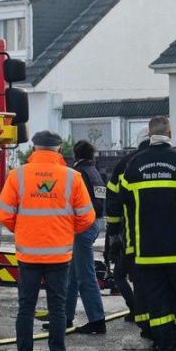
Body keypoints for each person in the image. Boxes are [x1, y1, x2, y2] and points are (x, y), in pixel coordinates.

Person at [0, 130, 96, 351]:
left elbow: (3, 212)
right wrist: (64, 230)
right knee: (58, 310)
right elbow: (87, 217)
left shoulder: (17, 175)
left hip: (27, 255)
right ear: (59, 150)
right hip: (59, 255)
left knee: (25, 309)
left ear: (34, 149)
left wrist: (22, 229)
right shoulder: (72, 177)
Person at [119, 116, 176, 351]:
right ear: (170, 132)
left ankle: (165, 347)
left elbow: (121, 200)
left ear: (149, 134)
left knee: (157, 299)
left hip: (147, 249)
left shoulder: (134, 165)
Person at [105, 127, 151, 337]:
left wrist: (114, 231)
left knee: (124, 274)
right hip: (170, 237)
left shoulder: (126, 163)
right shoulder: (175, 160)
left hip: (131, 235)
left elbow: (113, 198)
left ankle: (138, 313)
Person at [65, 140, 106, 334]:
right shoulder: (95, 172)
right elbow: (100, 201)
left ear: (75, 154)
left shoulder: (78, 174)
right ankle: (64, 316)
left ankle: (97, 319)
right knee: (73, 275)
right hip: (94, 223)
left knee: (85, 276)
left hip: (81, 226)